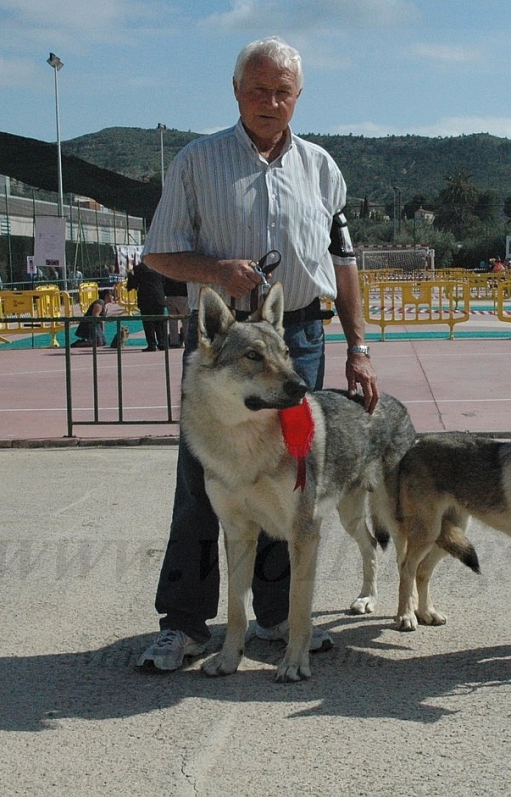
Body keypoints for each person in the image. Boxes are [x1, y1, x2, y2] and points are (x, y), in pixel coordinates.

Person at [135, 35, 377, 672]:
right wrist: (215, 271)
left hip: (299, 337)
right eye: (259, 89)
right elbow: (158, 255)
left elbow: (344, 263)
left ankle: (273, 616)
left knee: (291, 480)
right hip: (224, 342)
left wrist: (358, 345)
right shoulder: (197, 160)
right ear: (237, 92)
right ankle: (184, 624)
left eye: (284, 91)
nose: (271, 102)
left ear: (299, 97)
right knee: (201, 484)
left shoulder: (323, 168)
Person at [126, 261, 168, 351]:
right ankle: (162, 343)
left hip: (145, 298)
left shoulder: (139, 268)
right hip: (158, 297)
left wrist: (129, 275)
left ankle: (152, 344)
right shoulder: (159, 266)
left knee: (148, 322)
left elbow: (132, 285)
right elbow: (164, 282)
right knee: (160, 322)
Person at [163, 277, 189, 348]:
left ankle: (174, 341)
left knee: (172, 320)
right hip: (183, 295)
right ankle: (187, 340)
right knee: (185, 320)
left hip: (170, 295)